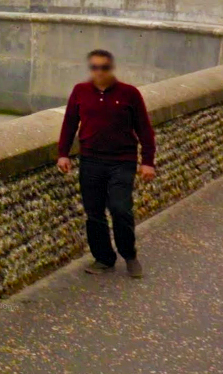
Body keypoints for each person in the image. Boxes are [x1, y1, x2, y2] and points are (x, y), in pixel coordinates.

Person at [57, 49, 156, 278]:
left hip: (122, 161)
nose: (99, 72)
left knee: (121, 209)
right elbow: (70, 123)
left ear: (111, 68)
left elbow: (144, 129)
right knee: (94, 214)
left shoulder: (129, 94)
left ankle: (129, 255)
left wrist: (148, 161)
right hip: (91, 160)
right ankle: (103, 258)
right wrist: (63, 154)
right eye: (94, 67)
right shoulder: (80, 91)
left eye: (104, 67)